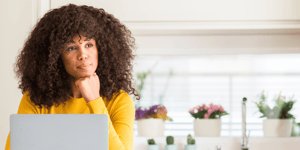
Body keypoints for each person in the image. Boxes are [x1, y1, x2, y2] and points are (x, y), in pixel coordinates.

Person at [5, 3, 139, 150]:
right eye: (71, 48)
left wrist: (95, 101)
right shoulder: (36, 99)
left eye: (89, 45)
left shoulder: (120, 101)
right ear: (56, 57)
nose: (83, 55)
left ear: (101, 48)